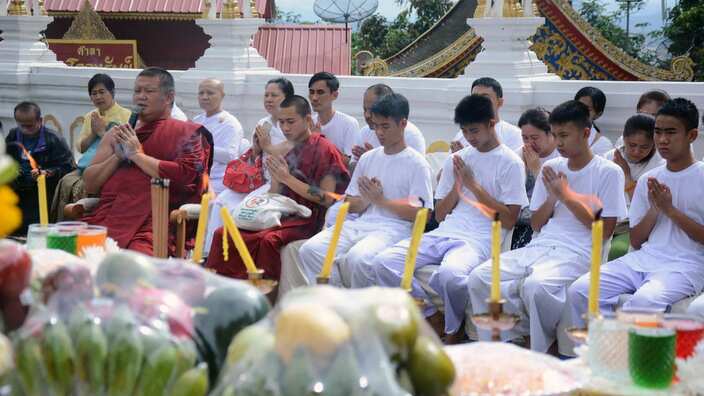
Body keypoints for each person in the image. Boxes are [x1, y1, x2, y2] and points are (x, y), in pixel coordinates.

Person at [466, 100, 627, 352]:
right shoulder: (551, 168)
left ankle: (540, 347)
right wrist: (553, 197)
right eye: (555, 135)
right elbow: (538, 223)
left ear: (585, 133)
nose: (559, 142)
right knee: (480, 277)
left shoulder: (609, 172)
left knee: (536, 287)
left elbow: (603, 231)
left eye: (564, 135)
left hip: (580, 251)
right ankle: (498, 346)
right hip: (541, 244)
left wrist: (566, 196)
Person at [373, 94, 528, 341]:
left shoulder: (511, 163)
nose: (469, 138)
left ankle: (453, 328)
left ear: (491, 124)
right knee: (384, 262)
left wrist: (474, 186)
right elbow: (441, 214)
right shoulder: (459, 159)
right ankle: (431, 316)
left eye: (474, 130)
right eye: (465, 131)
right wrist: (457, 185)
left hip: (480, 237)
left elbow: (509, 220)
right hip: (447, 230)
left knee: (451, 276)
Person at [565, 98, 704, 331]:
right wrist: (655, 209)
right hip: (645, 258)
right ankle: (603, 351)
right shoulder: (652, 180)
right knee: (581, 290)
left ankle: (627, 361)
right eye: (658, 132)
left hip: (686, 265)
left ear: (691, 136)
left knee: (643, 302)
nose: (662, 140)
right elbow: (637, 240)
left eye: (671, 132)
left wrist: (670, 210)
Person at [205, 95, 350, 280]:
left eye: (291, 121)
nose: (286, 128)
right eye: (281, 122)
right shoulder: (288, 148)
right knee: (223, 233)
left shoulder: (325, 149)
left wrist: (287, 178)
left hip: (307, 218)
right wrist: (277, 180)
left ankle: (267, 295)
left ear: (307, 119)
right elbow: (276, 193)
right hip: (281, 212)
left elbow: (328, 198)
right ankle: (226, 286)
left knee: (267, 241)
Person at [298, 93, 434, 288]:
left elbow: (423, 214)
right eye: (376, 126)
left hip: (394, 228)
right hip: (362, 223)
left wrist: (381, 201)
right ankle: (338, 303)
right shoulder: (368, 158)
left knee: (357, 259)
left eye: (385, 126)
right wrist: (366, 201)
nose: (379, 132)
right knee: (310, 250)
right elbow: (351, 203)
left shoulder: (417, 163)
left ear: (403, 124)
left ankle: (361, 309)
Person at [82, 67, 212, 255]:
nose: (140, 97)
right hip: (108, 216)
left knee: (134, 262)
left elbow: (186, 178)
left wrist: (137, 155)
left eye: (149, 91)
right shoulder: (117, 134)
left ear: (168, 97)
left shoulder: (186, 133)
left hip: (154, 222)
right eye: (137, 91)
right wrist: (117, 157)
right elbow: (90, 183)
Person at [202, 77, 294, 256]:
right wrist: (256, 149)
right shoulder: (263, 123)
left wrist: (267, 146)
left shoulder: (292, 123)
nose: (268, 99)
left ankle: (233, 254)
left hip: (279, 183)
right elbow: (254, 156)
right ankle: (210, 253)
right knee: (220, 202)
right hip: (257, 179)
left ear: (287, 98)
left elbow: (290, 150)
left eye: (274, 95)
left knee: (240, 209)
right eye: (266, 95)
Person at [325, 83, 427, 227]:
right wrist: (366, 161)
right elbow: (354, 172)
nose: (367, 115)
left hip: (395, 206)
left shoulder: (411, 135)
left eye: (371, 110)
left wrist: (378, 161)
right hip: (365, 201)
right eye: (364, 109)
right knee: (334, 214)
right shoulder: (365, 132)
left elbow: (409, 173)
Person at [51, 73, 131, 222]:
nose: (98, 97)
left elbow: (124, 146)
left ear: (112, 93)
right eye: (94, 93)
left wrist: (102, 133)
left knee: (82, 186)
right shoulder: (91, 116)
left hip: (113, 165)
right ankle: (64, 224)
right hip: (88, 163)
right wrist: (94, 133)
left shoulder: (126, 116)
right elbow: (81, 147)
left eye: (102, 92)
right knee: (65, 181)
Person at [6, 102, 75, 235]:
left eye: (30, 126)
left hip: (42, 191)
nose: (25, 129)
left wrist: (47, 172)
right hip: (17, 188)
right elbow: (5, 158)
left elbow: (68, 166)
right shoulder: (13, 136)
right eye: (22, 125)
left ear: (40, 121)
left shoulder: (53, 139)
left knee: (36, 227)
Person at [604, 114, 665, 259]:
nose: (637, 152)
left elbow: (645, 205)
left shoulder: (660, 165)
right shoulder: (608, 158)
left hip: (636, 223)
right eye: (632, 145)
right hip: (608, 219)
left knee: (617, 252)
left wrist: (626, 176)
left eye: (644, 147)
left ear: (654, 143)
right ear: (623, 138)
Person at [511, 108, 560, 249]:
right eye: (525, 138)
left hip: (548, 219)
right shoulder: (517, 156)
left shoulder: (561, 156)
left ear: (550, 133)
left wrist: (536, 170)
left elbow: (559, 197)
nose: (529, 143)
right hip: (518, 216)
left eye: (534, 137)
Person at [192, 78, 246, 195]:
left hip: (218, 182)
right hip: (195, 177)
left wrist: (202, 146)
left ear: (222, 95)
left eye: (210, 93)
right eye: (201, 93)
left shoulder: (230, 123)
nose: (205, 97)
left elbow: (230, 156)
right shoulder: (197, 120)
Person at [449, 77, 523, 152]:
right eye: (475, 98)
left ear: (500, 102)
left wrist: (465, 158)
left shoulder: (514, 135)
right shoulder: (461, 136)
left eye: (485, 98)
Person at [308, 72, 360, 160]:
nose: (314, 98)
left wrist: (320, 141)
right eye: (311, 92)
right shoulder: (308, 123)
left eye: (320, 92)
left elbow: (350, 163)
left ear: (335, 95)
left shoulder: (348, 124)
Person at [574, 86, 613, 157]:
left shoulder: (603, 144)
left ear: (598, 114)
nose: (580, 111)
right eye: (578, 106)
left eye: (587, 109)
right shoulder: (556, 132)